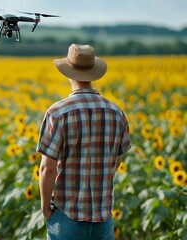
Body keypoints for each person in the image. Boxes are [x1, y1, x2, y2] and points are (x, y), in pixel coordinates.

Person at [36, 43, 132, 240]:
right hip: (104, 219)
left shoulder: (57, 113)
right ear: (95, 73)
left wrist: (45, 209)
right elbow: (117, 161)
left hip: (68, 217)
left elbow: (48, 168)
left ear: (68, 73)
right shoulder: (116, 113)